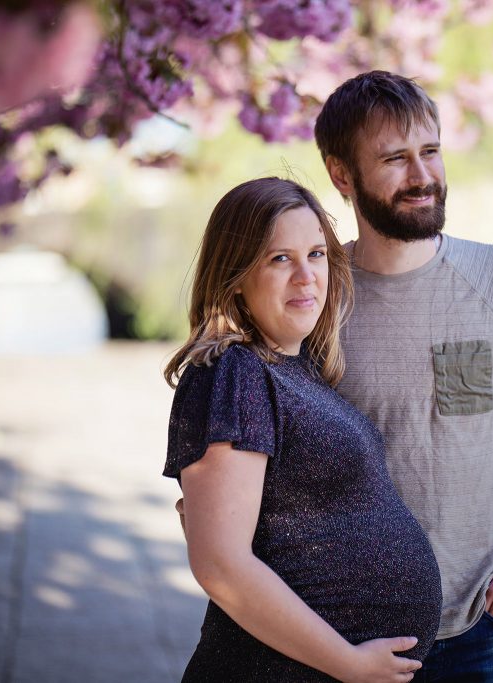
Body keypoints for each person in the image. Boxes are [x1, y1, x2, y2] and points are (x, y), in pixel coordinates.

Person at [314, 71, 493, 682]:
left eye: (429, 152)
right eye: (394, 159)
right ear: (342, 175)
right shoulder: (317, 302)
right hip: (357, 638)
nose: (421, 176)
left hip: (488, 629)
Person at [163, 177, 442, 682]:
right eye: (279, 259)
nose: (306, 276)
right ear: (235, 275)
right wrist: (349, 663)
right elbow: (220, 565)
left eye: (315, 254)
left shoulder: (296, 369)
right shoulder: (236, 372)